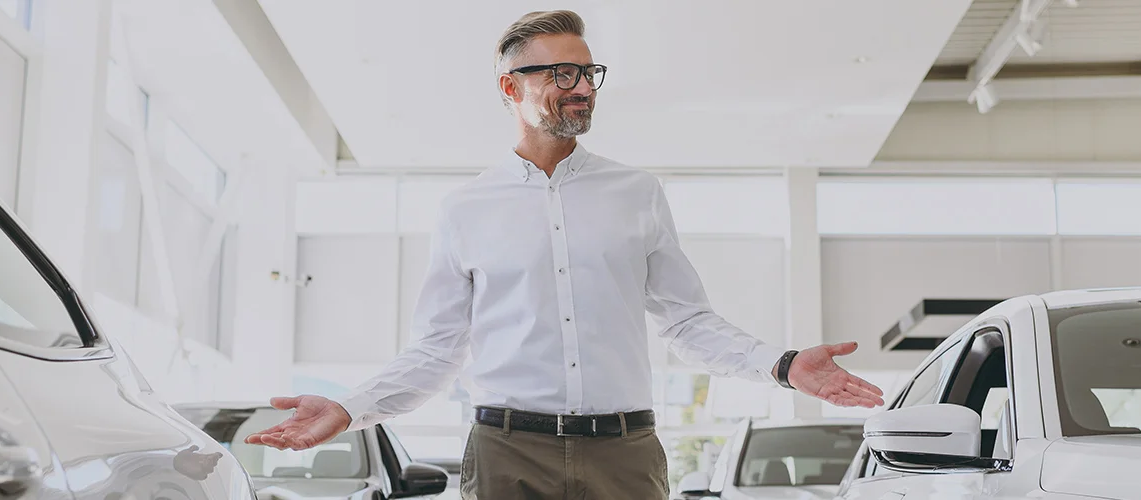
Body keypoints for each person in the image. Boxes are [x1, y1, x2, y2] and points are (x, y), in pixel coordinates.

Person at [247, 10, 884, 499]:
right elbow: (437, 350)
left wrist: (782, 365)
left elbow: (687, 322)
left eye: (586, 73)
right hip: (506, 454)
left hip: (625, 453)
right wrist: (349, 407)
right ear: (510, 87)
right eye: (559, 73)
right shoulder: (465, 209)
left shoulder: (637, 193)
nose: (580, 87)